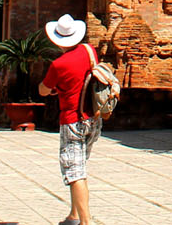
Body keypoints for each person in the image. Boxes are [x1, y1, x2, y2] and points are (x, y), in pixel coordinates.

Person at [38, 14, 102, 225]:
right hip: (93, 118)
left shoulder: (58, 65)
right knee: (80, 165)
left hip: (72, 121)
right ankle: (74, 214)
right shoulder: (89, 50)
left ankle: (86, 222)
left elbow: (43, 90)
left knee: (75, 173)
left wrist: (53, 87)